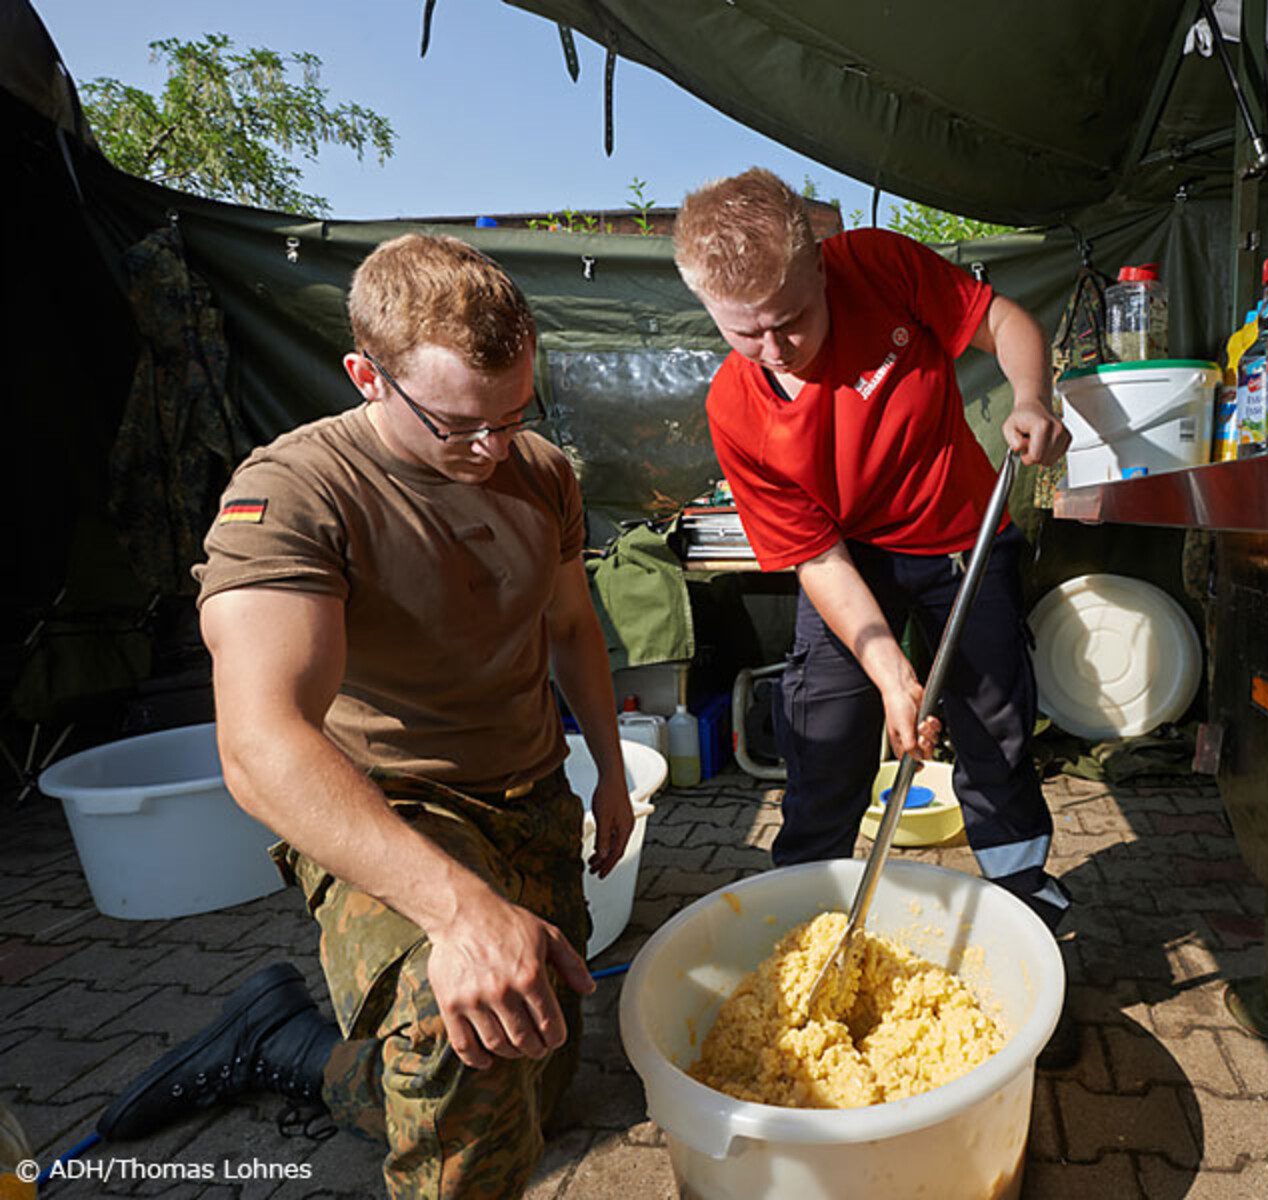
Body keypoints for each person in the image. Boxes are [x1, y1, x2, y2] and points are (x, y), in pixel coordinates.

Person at [96, 233, 634, 1196]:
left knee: (534, 1087)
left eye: (514, 416)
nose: (491, 449)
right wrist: (460, 909)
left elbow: (572, 627)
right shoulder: (294, 493)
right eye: (461, 424)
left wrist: (614, 777)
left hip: (528, 792)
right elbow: (262, 746)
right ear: (367, 376)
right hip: (390, 805)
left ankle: (284, 1045)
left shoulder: (542, 472)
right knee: (459, 1031)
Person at [673, 168, 1079, 1066]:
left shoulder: (882, 266)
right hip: (851, 561)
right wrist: (892, 674)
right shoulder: (735, 410)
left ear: (820, 265)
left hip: (964, 538)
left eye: (792, 319)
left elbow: (1007, 323)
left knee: (996, 732)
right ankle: (806, 947)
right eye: (747, 332)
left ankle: (1031, 931)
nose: (776, 347)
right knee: (824, 738)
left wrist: (1029, 397)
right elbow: (816, 557)